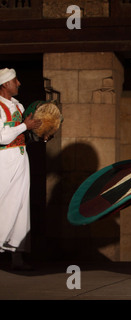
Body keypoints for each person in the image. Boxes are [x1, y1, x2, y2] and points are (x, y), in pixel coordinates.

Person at [0, 68, 42, 270]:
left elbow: (26, 131)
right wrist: (25, 126)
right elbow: (2, 137)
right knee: (4, 203)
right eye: (15, 81)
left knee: (20, 204)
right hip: (4, 159)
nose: (19, 84)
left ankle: (17, 255)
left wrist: (40, 133)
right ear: (5, 84)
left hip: (21, 157)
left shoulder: (18, 105)